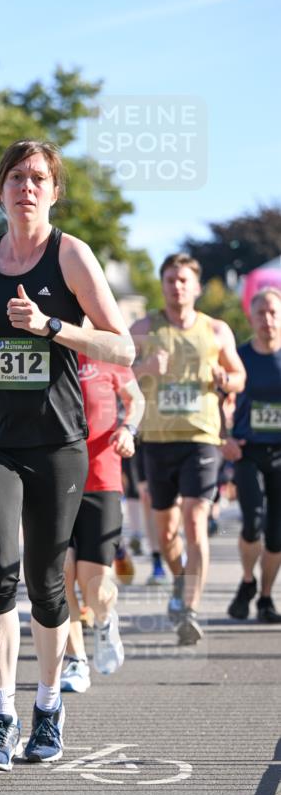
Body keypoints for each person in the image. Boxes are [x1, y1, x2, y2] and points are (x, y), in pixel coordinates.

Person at [0, 139, 135, 771]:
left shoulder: (70, 255)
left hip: (56, 442)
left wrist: (51, 327)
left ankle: (48, 705)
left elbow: (122, 347)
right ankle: (1, 717)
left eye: (39, 178)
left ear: (53, 192)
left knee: (49, 584)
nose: (26, 187)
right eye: (16, 177)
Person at [130, 253, 246, 645]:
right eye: (170, 280)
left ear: (196, 287)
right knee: (166, 535)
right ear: (161, 285)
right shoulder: (144, 328)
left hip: (201, 439)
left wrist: (224, 378)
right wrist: (144, 370)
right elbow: (115, 372)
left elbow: (239, 378)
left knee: (195, 521)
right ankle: (181, 581)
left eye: (183, 280)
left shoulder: (216, 331)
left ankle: (190, 609)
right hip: (157, 441)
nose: (176, 286)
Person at [61, 354, 145, 693]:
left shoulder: (106, 351)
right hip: (55, 480)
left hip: (101, 479)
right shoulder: (47, 345)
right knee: (59, 574)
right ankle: (76, 661)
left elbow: (135, 398)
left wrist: (128, 428)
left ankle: (106, 620)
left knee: (93, 583)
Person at [223, 288, 281, 623]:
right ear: (251, 317)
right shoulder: (239, 357)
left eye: (273, 313)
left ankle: (265, 597)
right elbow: (215, 400)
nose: (268, 320)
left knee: (276, 534)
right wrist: (224, 437)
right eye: (261, 313)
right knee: (252, 522)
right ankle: (248, 580)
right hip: (248, 450)